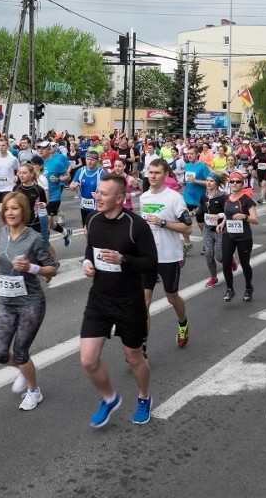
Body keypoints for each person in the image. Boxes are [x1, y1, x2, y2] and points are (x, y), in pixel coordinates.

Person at [80, 175, 158, 428]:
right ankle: (109, 398)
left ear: (119, 198)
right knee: (88, 360)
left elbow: (150, 263)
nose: (97, 196)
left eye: (103, 193)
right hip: (99, 299)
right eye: (97, 192)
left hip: (128, 301)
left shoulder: (136, 225)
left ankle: (144, 397)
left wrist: (123, 259)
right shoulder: (93, 220)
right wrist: (87, 263)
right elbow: (90, 249)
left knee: (134, 356)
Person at [0, 192, 59, 411]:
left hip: (31, 303)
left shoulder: (33, 238)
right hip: (7, 302)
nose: (10, 213)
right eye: (7, 209)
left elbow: (52, 268)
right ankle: (24, 370)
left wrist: (32, 267)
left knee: (21, 351)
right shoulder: (3, 233)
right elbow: (6, 263)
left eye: (15, 208)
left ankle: (34, 391)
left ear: (23, 211)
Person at [140, 159, 193, 349]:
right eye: (150, 172)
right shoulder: (144, 197)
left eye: (157, 173)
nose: (152, 176)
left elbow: (188, 228)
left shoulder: (174, 198)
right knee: (143, 303)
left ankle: (183, 322)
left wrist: (163, 222)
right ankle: (142, 348)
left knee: (172, 297)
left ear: (166, 175)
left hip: (169, 256)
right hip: (148, 257)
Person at [216, 171, 259, 302]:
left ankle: (248, 288)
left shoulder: (247, 200)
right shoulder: (226, 198)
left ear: (242, 184)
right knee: (226, 262)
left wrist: (244, 216)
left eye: (238, 181)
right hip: (228, 235)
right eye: (232, 181)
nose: (234, 184)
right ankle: (230, 289)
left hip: (243, 237)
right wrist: (222, 224)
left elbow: (256, 220)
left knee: (245, 264)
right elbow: (227, 214)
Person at [182, 146, 210, 254]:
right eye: (188, 154)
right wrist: (182, 183)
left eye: (191, 154)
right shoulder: (187, 166)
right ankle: (187, 243)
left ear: (197, 154)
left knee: (201, 224)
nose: (189, 156)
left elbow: (209, 182)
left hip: (199, 200)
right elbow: (186, 180)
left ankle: (206, 244)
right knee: (184, 222)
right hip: (187, 198)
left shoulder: (202, 167)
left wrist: (196, 181)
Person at [69, 150, 104, 228]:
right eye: (87, 159)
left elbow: (109, 189)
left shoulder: (101, 173)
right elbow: (71, 186)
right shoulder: (80, 171)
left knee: (95, 230)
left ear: (97, 160)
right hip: (84, 206)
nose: (89, 162)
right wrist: (73, 187)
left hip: (97, 207)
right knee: (85, 229)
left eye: (92, 160)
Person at [0, 138, 20, 206]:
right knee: (1, 210)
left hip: (9, 187)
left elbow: (19, 169)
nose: (1, 147)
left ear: (7, 146)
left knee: (4, 207)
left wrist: (17, 176)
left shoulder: (13, 159)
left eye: (3, 145)